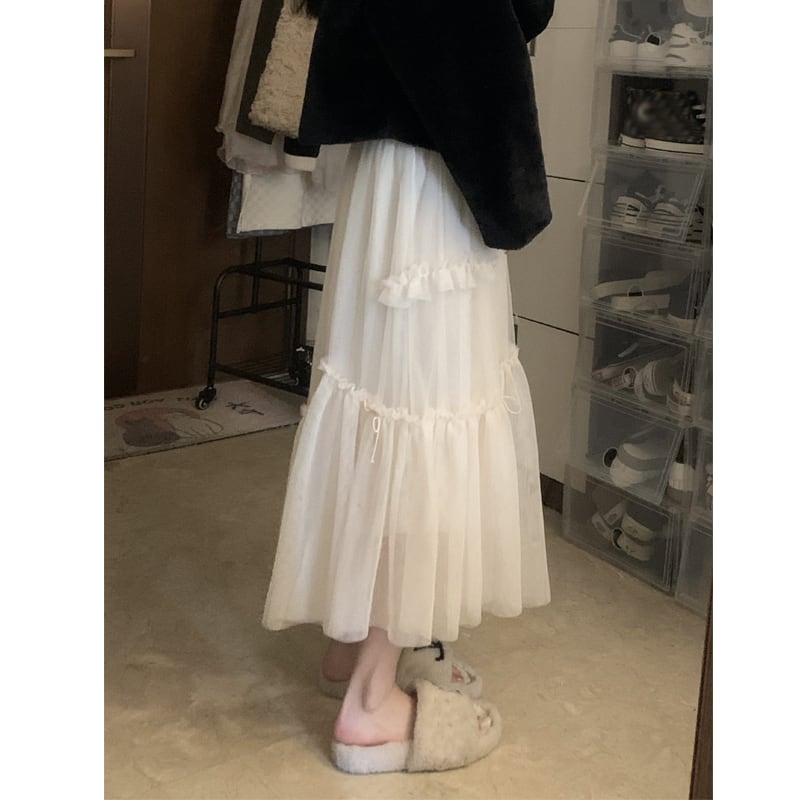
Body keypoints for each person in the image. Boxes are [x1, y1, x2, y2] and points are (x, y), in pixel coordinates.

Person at [250, 0, 555, 774]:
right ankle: (371, 703)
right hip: (440, 156)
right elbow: (464, 29)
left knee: (381, 394)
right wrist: (512, 185)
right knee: (423, 403)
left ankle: (352, 644)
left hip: (390, 161)